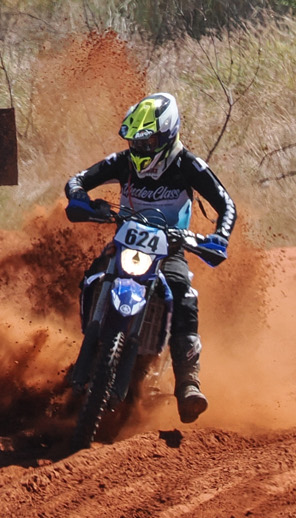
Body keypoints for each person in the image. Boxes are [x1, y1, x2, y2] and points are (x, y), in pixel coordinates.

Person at [64, 92, 235, 423]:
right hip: (124, 244)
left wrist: (219, 238)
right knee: (91, 276)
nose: (141, 149)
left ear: (169, 135)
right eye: (136, 142)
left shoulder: (189, 166)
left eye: (149, 141)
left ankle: (188, 382)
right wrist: (83, 200)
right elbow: (78, 180)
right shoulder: (123, 162)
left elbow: (226, 204)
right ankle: (91, 341)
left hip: (169, 249)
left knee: (184, 295)